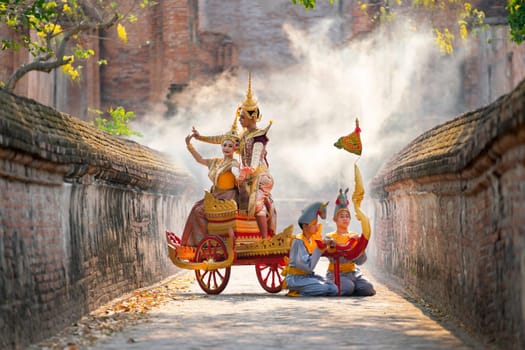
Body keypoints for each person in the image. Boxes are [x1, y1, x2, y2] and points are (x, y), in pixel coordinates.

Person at [191, 73, 275, 239]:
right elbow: (222, 140)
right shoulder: (243, 136)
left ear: (252, 116)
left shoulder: (259, 136)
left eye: (242, 117)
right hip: (245, 178)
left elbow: (255, 160)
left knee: (256, 205)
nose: (241, 120)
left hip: (260, 178)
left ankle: (264, 240)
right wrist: (200, 137)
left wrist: (245, 172)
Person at [180, 123, 240, 247]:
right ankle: (194, 242)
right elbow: (200, 159)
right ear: (221, 146)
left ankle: (205, 241)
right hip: (215, 196)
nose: (226, 148)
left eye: (230, 145)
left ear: (235, 148)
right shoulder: (215, 162)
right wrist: (189, 145)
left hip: (228, 198)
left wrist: (241, 175)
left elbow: (237, 175)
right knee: (195, 208)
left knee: (198, 211)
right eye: (224, 145)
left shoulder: (234, 164)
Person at [325, 188, 376, 296]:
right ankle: (333, 285)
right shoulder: (330, 237)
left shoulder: (354, 236)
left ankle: (351, 285)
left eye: (347, 216)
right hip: (336, 273)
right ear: (335, 219)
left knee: (368, 288)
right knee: (348, 288)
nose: (345, 219)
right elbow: (331, 256)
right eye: (341, 217)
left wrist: (360, 247)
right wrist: (333, 245)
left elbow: (360, 262)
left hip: (353, 272)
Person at [283, 202, 338, 297]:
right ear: (305, 226)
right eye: (313, 224)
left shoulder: (312, 239)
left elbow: (322, 247)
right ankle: (297, 292)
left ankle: (308, 289)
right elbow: (307, 266)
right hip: (296, 278)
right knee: (323, 288)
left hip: (308, 276)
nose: (316, 227)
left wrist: (329, 243)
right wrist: (320, 248)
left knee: (333, 288)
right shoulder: (298, 241)